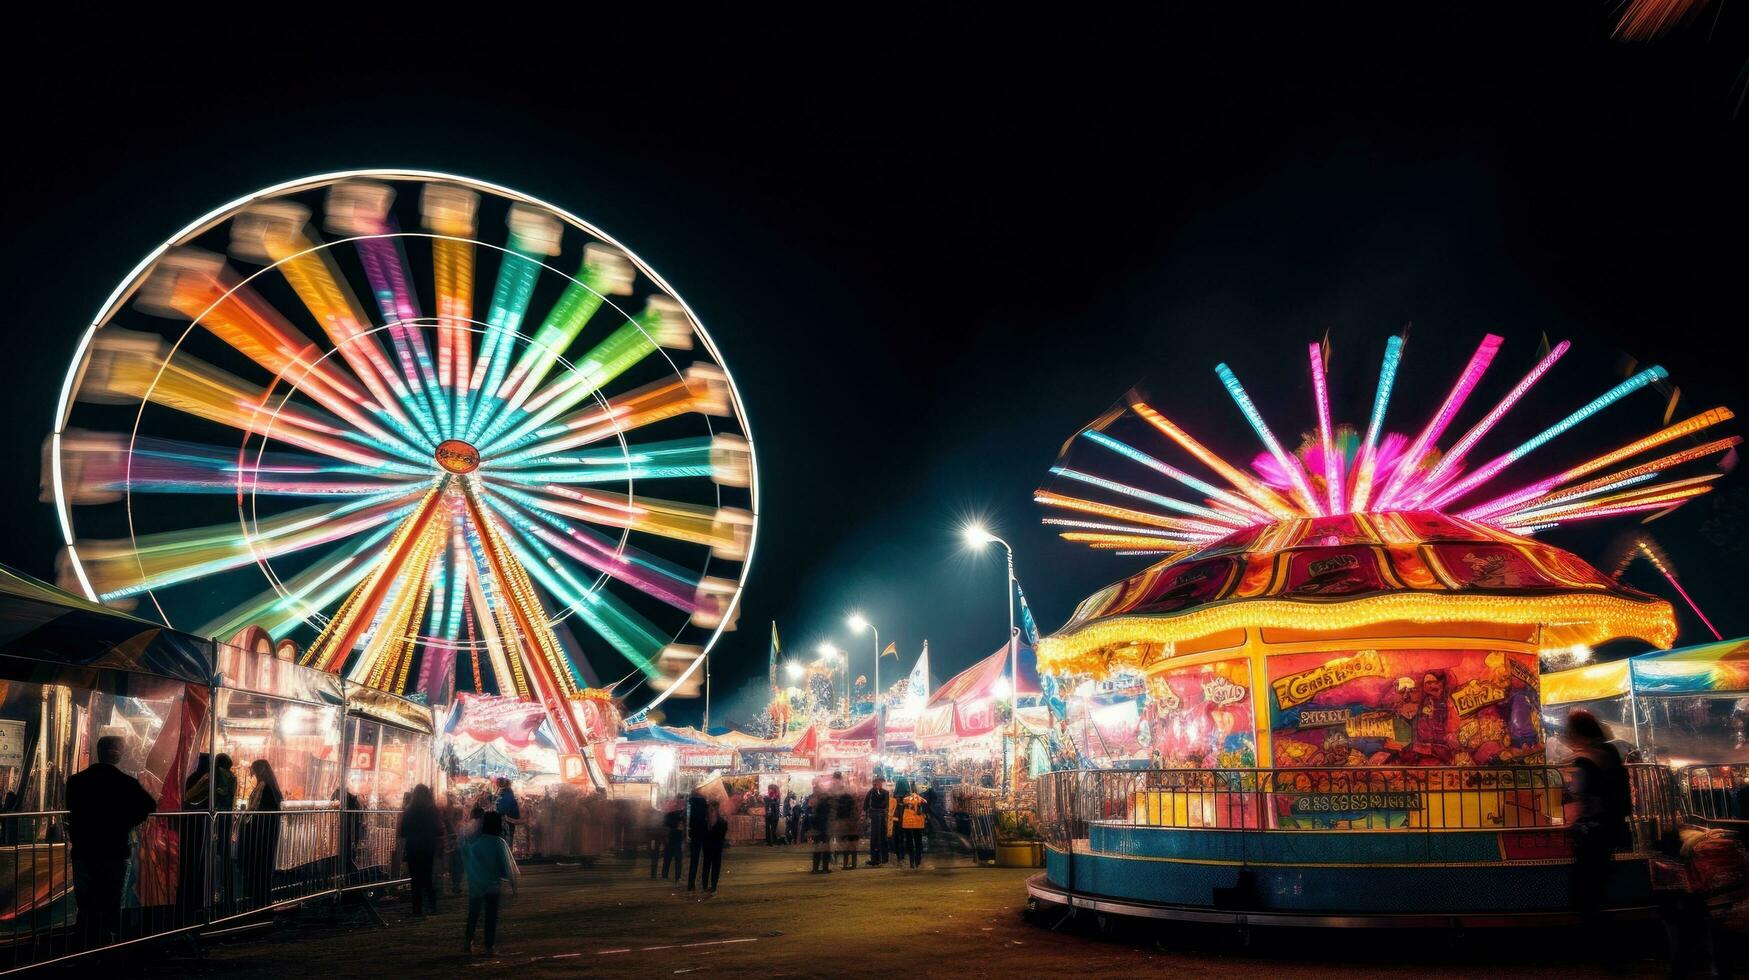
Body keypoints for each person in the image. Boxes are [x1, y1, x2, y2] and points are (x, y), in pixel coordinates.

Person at [66, 735, 155, 948]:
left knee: (86, 903)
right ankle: (106, 947)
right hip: (114, 850)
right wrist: (126, 822)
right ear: (116, 753)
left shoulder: (76, 781)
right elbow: (149, 806)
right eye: (122, 749)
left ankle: (82, 948)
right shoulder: (126, 782)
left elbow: (71, 810)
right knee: (111, 902)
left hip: (84, 850)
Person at [1565, 710, 1630, 952]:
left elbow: (1580, 796)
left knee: (1585, 891)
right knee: (1596, 886)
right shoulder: (1610, 753)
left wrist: (1571, 822)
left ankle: (1604, 947)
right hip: (1610, 827)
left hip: (1591, 832)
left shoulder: (1585, 761)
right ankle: (1606, 945)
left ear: (1578, 733)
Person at [462, 812, 520, 956]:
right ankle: (489, 945)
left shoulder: (477, 843)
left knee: (473, 914)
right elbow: (507, 865)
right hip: (493, 885)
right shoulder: (499, 843)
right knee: (491, 916)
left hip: (476, 885)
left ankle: (468, 941)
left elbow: (469, 861)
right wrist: (513, 885)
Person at [241, 760, 283, 911]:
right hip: (265, 833)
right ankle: (261, 902)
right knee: (262, 868)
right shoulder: (270, 788)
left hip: (262, 834)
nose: (253, 775)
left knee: (259, 868)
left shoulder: (264, 788)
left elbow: (259, 811)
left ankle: (260, 904)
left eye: (254, 771)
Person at [397, 784, 443, 915]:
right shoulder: (432, 810)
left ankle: (417, 908)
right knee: (427, 877)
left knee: (415, 879)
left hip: (413, 847)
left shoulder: (409, 811)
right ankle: (432, 905)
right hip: (428, 847)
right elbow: (438, 829)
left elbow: (403, 831)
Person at [896, 781, 927, 870]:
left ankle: (912, 863)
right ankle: (918, 862)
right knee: (918, 843)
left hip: (908, 824)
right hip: (918, 824)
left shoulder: (904, 799)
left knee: (910, 843)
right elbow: (925, 806)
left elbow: (901, 812)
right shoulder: (921, 799)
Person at [701, 802, 729, 894]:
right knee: (709, 865)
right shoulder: (707, 820)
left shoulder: (719, 820)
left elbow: (723, 831)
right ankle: (707, 885)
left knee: (712, 866)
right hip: (712, 846)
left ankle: (712, 886)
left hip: (714, 846)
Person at [685, 787, 710, 891]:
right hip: (704, 832)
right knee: (706, 859)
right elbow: (707, 817)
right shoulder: (704, 802)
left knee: (694, 860)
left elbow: (687, 818)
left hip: (694, 832)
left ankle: (691, 884)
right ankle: (704, 884)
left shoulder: (689, 802)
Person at [864, 777, 891, 867]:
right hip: (877, 817)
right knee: (877, 837)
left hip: (880, 817)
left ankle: (881, 858)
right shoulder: (872, 792)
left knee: (880, 837)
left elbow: (884, 804)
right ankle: (877, 858)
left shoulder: (883, 793)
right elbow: (866, 804)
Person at [832, 775, 858, 870]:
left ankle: (846, 864)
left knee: (847, 843)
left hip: (845, 821)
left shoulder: (839, 795)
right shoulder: (848, 794)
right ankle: (849, 864)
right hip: (848, 821)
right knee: (849, 843)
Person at [660, 795, 685, 883]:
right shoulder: (681, 812)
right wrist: (676, 825)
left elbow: (665, 822)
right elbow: (666, 823)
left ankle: (667, 875)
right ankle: (674, 876)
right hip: (673, 836)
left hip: (673, 837)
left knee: (671, 857)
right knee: (674, 857)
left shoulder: (672, 810)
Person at [810, 785, 834, 874]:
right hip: (825, 829)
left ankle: (815, 868)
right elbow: (831, 818)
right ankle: (825, 868)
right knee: (826, 849)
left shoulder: (817, 806)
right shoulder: (828, 806)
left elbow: (813, 818)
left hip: (817, 829)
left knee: (817, 849)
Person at [494, 777, 521, 852]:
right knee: (509, 836)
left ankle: (507, 853)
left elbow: (502, 807)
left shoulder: (505, 792)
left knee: (506, 836)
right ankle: (508, 852)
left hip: (506, 818)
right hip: (509, 818)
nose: (496, 784)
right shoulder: (506, 792)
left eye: (497, 783)